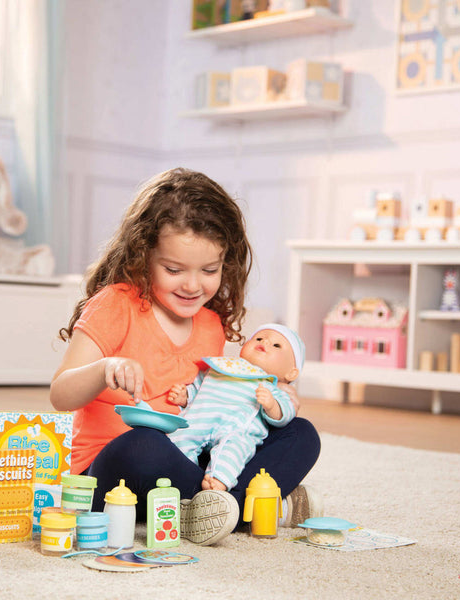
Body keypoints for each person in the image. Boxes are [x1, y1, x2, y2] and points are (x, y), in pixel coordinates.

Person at [50, 167, 321, 546]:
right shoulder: (115, 304)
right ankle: (247, 505)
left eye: (209, 270)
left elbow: (214, 413)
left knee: (300, 434)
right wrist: (104, 369)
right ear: (143, 256)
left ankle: (211, 505)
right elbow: (60, 395)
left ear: (225, 264)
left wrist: (274, 404)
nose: (193, 285)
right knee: (143, 442)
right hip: (113, 475)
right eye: (174, 269)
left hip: (185, 468)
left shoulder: (210, 324)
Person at [167, 324, 306, 493]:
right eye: (259, 338)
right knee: (179, 439)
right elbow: (199, 386)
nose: (265, 341)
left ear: (291, 373)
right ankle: (182, 481)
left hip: (236, 430)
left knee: (233, 450)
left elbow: (286, 413)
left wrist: (271, 405)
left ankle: (217, 481)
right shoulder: (221, 367)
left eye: (276, 345)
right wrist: (185, 396)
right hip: (200, 419)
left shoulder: (273, 388)